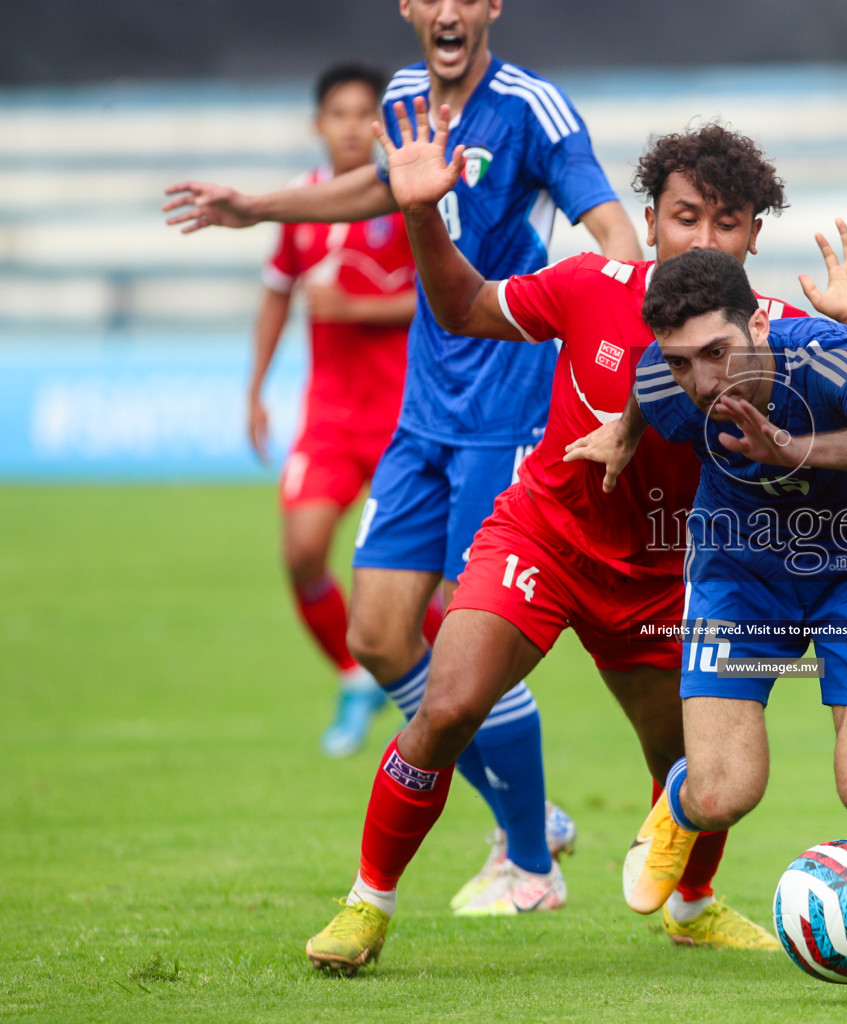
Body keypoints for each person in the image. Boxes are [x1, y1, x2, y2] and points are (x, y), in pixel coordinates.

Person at [300, 104, 847, 972]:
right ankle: (366, 904)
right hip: (545, 540)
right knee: (450, 705)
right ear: (649, 219)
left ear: (754, 237)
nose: (702, 239)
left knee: (693, 767)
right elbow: (461, 306)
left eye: (727, 223)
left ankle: (691, 904)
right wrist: (421, 210)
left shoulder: (772, 329)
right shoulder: (588, 286)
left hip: (670, 573)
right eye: (685, 216)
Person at [163, 0, 638, 915]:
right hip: (423, 413)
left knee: (469, 631)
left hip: (506, 411)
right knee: (379, 635)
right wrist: (257, 206)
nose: (450, 10)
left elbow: (615, 238)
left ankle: (528, 862)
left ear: (490, 7)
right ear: (412, 10)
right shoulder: (407, 95)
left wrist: (609, 367)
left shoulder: (536, 109)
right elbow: (384, 189)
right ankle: (525, 804)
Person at [573, 248, 847, 982]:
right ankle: (683, 805)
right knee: (726, 793)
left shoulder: (827, 352)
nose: (703, 381)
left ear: (759, 320)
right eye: (682, 361)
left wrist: (793, 447)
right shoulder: (666, 378)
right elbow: (644, 385)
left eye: (717, 353)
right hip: (740, 574)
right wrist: (625, 433)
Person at [248, 63, 420, 758]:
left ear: (380, 126)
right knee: (302, 550)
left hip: (407, 418)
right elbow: (275, 293)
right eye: (338, 113)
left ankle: (430, 701)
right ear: (318, 124)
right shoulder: (300, 206)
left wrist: (359, 308)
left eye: (363, 114)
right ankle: (355, 677)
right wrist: (255, 387)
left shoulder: (409, 196)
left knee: (423, 583)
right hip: (329, 418)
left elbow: (447, 300)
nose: (350, 126)